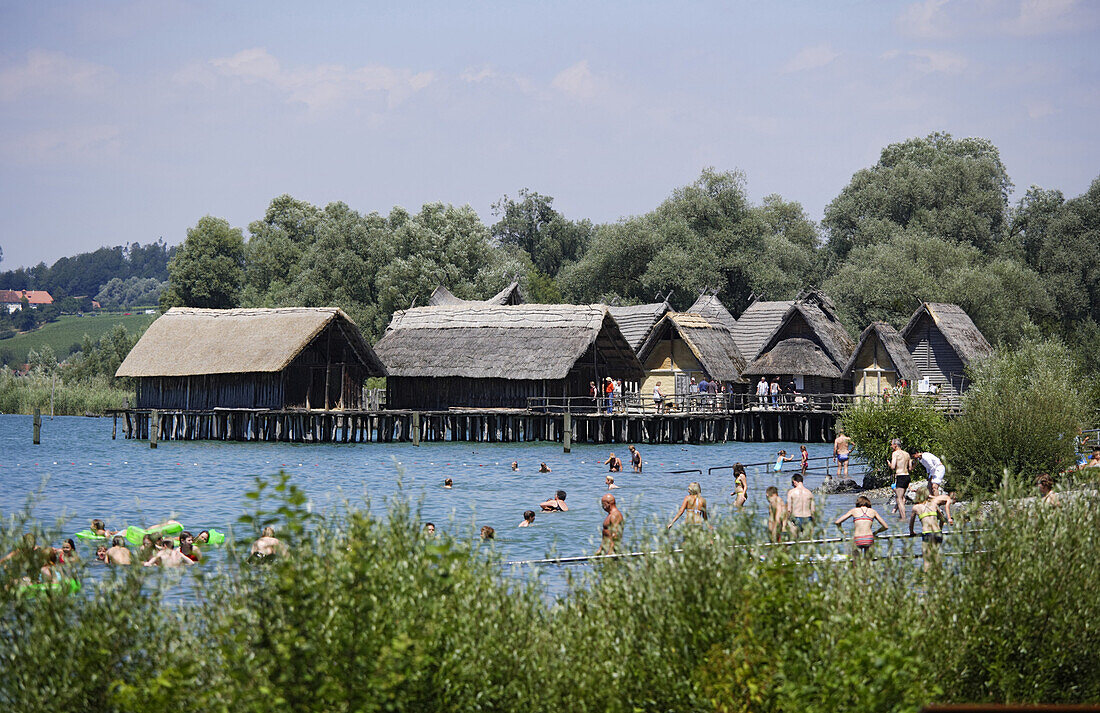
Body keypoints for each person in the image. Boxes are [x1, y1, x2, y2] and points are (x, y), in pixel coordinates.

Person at [909, 487, 953, 570]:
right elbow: (942, 518)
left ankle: (926, 580)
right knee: (937, 557)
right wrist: (940, 528)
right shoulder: (934, 504)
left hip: (928, 534)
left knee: (927, 560)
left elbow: (911, 523)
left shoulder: (916, 507)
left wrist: (911, 532)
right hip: (938, 533)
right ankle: (939, 578)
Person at [888, 438, 912, 520]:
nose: (891, 446)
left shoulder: (895, 454)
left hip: (900, 476)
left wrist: (889, 464)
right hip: (907, 476)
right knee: (902, 498)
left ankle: (903, 518)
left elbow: (893, 467)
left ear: (895, 445)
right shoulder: (907, 454)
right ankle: (901, 516)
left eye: (891, 444)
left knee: (899, 499)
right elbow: (910, 467)